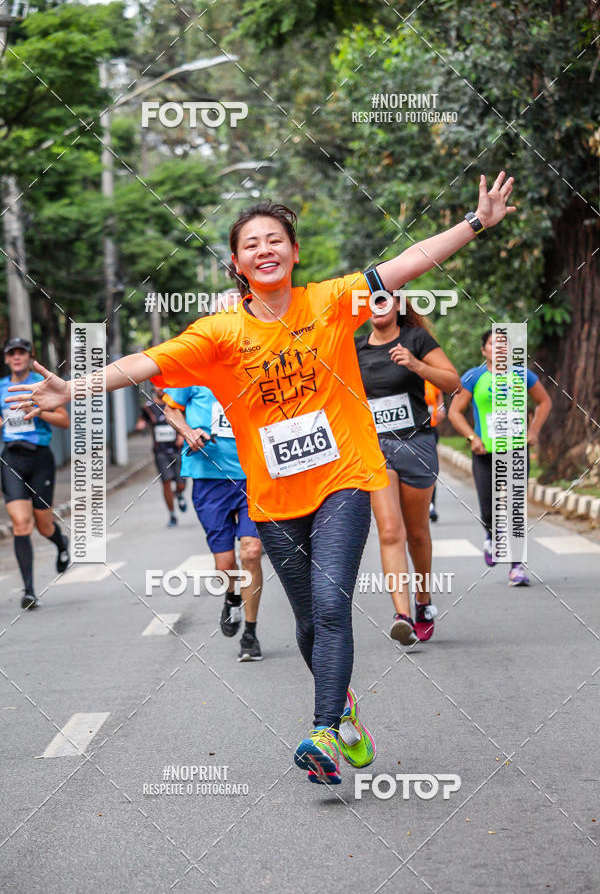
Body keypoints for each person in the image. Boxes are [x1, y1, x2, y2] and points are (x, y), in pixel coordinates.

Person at [7, 172, 516, 784]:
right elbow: (146, 361)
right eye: (252, 244)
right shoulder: (220, 334)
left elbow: (407, 263)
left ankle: (324, 733)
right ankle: (345, 709)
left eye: (276, 239)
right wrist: (77, 385)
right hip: (273, 499)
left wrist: (477, 222)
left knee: (331, 605)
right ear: (237, 263)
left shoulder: (330, 301)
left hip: (344, 479)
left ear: (294, 252)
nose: (265, 250)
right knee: (306, 620)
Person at [356, 298, 460, 645]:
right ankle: (401, 615)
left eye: (384, 298)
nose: (376, 305)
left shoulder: (416, 339)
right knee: (389, 531)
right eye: (368, 300)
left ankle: (423, 600)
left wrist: (416, 365)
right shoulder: (354, 346)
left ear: (398, 304)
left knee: (416, 532)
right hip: (375, 448)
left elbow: (452, 382)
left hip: (415, 444)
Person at [162, 384, 264, 662]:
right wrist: (188, 431)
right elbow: (170, 409)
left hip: (253, 475)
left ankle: (250, 634)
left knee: (252, 552)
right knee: (225, 564)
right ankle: (232, 598)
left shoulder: (248, 361)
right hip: (209, 479)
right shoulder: (191, 370)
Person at [448, 328, 551, 586]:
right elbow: (455, 413)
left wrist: (534, 431)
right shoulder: (474, 377)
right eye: (494, 344)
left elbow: (544, 402)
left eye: (504, 344)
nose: (500, 348)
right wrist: (473, 438)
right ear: (484, 350)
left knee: (515, 508)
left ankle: (517, 567)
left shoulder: (522, 375)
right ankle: (491, 536)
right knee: (488, 508)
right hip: (485, 454)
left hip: (516, 451)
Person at [0, 338, 70, 609]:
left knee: (43, 525)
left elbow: (63, 420)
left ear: (30, 357)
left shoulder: (40, 385)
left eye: (22, 353)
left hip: (40, 458)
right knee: (20, 523)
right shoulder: (1, 388)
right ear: (6, 359)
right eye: (12, 354)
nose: (17, 358)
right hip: (12, 458)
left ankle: (60, 542)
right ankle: (29, 591)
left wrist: (37, 411)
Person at [136, 387, 186, 527]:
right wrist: (141, 425)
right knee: (166, 482)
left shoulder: (176, 404)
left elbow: (186, 421)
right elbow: (142, 420)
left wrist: (182, 435)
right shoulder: (149, 407)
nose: (161, 389)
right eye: (159, 386)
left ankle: (179, 494)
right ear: (153, 387)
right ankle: (172, 515)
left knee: (181, 484)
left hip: (177, 449)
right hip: (161, 451)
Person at [424, 379, 445, 522]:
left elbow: (440, 402)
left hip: (430, 429)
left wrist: (441, 410)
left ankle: (431, 504)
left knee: (430, 466)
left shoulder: (431, 379)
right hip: (411, 431)